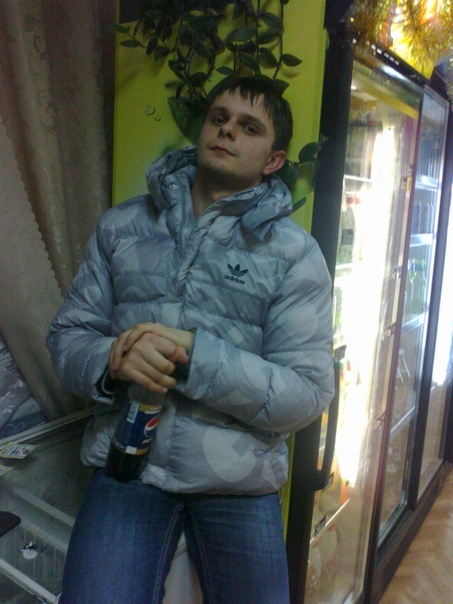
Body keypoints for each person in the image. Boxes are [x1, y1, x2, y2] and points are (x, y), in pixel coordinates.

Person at [47, 76, 334, 604]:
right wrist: (112, 360)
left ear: (273, 160)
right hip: (128, 468)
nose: (227, 130)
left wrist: (193, 358)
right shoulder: (121, 226)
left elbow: (307, 393)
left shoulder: (294, 254)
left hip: (238, 481)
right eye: (218, 118)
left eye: (249, 127)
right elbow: (67, 337)